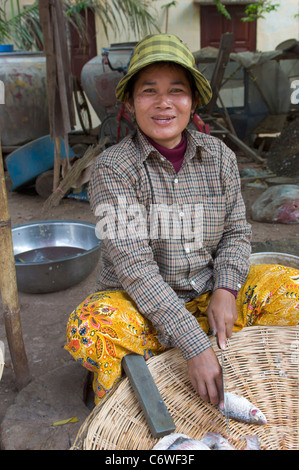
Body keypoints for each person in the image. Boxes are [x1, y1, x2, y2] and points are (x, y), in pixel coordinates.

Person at [65, 34, 299, 408]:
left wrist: (226, 288)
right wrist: (192, 343)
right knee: (91, 324)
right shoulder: (114, 169)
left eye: (177, 90)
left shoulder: (219, 156)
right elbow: (135, 268)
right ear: (129, 102)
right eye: (148, 91)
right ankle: (156, 374)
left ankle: (221, 360)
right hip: (141, 305)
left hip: (207, 297)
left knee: (291, 288)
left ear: (192, 101)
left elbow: (237, 232)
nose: (163, 103)